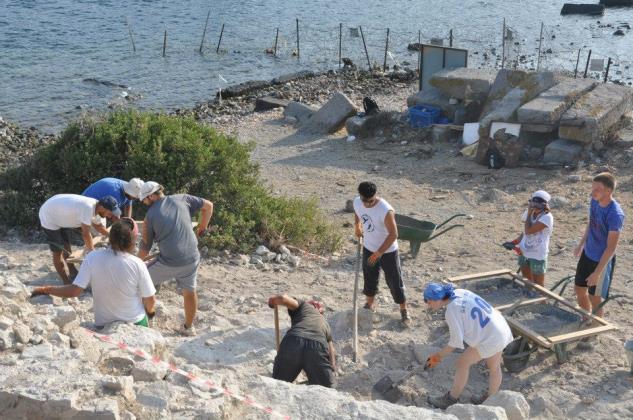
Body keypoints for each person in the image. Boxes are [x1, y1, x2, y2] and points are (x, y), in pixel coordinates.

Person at [31, 218, 156, 328]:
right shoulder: (137, 264)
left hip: (103, 324)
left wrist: (46, 289)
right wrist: (150, 313)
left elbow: (74, 291)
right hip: (135, 322)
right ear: (132, 242)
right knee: (146, 314)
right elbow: (150, 299)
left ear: (110, 237)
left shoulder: (92, 257)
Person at [137, 181, 214, 336]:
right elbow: (209, 206)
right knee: (189, 291)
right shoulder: (183, 198)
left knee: (140, 282)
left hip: (169, 262)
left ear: (151, 196)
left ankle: (148, 320)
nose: (145, 204)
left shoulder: (150, 216)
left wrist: (133, 263)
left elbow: (145, 248)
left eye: (145, 200)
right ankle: (188, 327)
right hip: (192, 257)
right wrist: (202, 228)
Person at [424, 283, 513, 409]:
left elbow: (455, 343)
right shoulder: (460, 292)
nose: (428, 305)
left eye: (428, 301)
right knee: (494, 367)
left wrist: (436, 357)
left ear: (437, 299)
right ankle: (490, 399)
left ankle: (451, 399)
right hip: (499, 327)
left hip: (491, 337)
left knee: (462, 363)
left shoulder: (451, 311)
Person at [352, 181, 410, 324]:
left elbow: (394, 234)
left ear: (375, 196)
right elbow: (358, 212)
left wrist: (379, 253)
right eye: (365, 201)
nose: (368, 204)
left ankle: (403, 309)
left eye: (371, 201)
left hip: (388, 251)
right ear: (360, 196)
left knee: (394, 281)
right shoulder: (358, 202)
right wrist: (357, 226)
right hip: (369, 247)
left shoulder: (385, 210)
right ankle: (370, 304)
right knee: (370, 277)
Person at [574, 172, 625, 318]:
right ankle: (586, 318)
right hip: (588, 253)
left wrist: (597, 273)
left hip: (601, 260)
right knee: (579, 289)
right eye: (592, 187)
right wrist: (581, 243)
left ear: (608, 191)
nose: (592, 192)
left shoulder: (615, 214)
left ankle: (594, 330)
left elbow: (611, 248)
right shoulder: (595, 201)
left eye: (597, 189)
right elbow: (592, 222)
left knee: (595, 298)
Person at [39, 194, 121, 284]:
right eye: (109, 213)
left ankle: (72, 271)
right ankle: (66, 282)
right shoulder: (88, 208)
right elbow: (85, 234)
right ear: (102, 207)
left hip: (59, 213)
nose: (110, 216)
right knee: (58, 251)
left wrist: (113, 237)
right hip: (49, 216)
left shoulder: (96, 208)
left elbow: (99, 226)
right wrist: (92, 254)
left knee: (66, 245)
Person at [268, 294, 336, 388]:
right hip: (317, 345)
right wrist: (328, 375)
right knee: (326, 389)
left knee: (277, 385)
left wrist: (273, 300)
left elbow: (283, 298)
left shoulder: (304, 305)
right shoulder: (325, 324)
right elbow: (331, 355)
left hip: (293, 341)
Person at [503, 190, 554, 288]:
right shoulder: (529, 212)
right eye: (533, 204)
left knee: (538, 285)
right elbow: (524, 233)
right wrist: (514, 242)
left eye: (537, 205)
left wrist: (529, 215)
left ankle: (541, 302)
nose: (534, 207)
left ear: (543, 205)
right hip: (524, 252)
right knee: (527, 281)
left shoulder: (547, 217)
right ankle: (529, 296)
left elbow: (529, 231)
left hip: (538, 255)